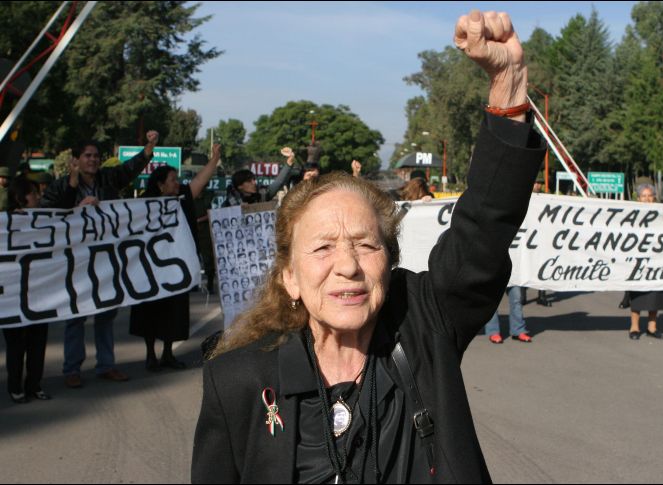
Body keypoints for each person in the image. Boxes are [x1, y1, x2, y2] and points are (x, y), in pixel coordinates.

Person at [192, 10, 545, 483]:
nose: (347, 267)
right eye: (322, 249)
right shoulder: (235, 381)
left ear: (390, 260)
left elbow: (483, 228)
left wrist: (507, 81)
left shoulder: (423, 329)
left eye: (365, 245)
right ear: (288, 277)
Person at [41, 130, 159, 388]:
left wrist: (149, 146)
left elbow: (130, 169)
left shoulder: (108, 179)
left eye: (96, 156)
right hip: (75, 261)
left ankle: (106, 365)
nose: (93, 160)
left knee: (106, 312)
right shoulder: (62, 185)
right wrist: (76, 206)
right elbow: (46, 213)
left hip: (104, 260)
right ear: (76, 160)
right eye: (87, 156)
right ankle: (71, 369)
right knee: (76, 316)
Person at [130, 144, 221, 371]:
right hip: (150, 269)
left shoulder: (181, 199)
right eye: (172, 179)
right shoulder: (144, 204)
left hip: (175, 268)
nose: (176, 182)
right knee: (149, 312)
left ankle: (167, 354)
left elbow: (199, 182)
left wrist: (215, 159)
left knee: (175, 312)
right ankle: (150, 354)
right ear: (160, 184)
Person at [3, 177, 52, 403]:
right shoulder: (5, 223)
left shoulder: (44, 220)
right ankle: (15, 386)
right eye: (33, 193)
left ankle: (34, 384)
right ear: (19, 198)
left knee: (38, 342)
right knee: (16, 344)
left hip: (39, 292)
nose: (38, 197)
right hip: (12, 295)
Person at [627, 159, 663, 340]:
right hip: (638, 260)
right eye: (644, 196)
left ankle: (652, 327)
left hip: (657, 260)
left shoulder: (660, 211)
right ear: (638, 198)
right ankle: (634, 327)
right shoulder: (631, 214)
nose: (648, 199)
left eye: (650, 195)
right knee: (637, 294)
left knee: (656, 294)